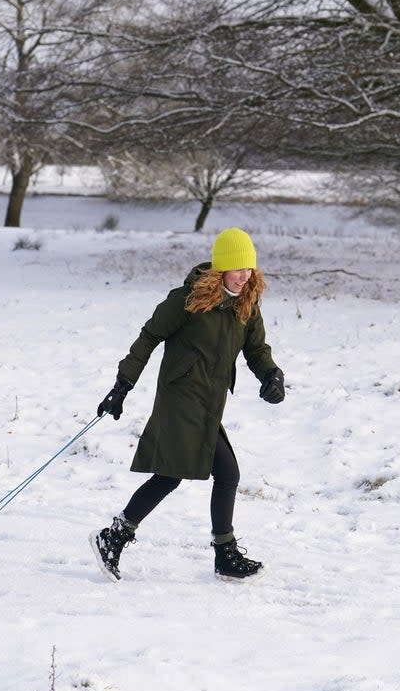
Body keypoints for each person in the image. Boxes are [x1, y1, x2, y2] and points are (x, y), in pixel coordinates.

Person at [91, 227, 285, 581]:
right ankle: (217, 552)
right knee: (206, 474)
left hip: (210, 401)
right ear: (222, 267)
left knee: (178, 476)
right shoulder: (187, 300)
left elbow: (256, 349)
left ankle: (116, 536)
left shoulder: (246, 304)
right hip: (181, 399)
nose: (245, 276)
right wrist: (123, 384)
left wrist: (271, 375)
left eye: (250, 269)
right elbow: (149, 336)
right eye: (239, 268)